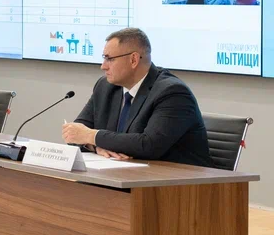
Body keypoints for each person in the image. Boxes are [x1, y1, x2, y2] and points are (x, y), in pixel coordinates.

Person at [61, 28, 210, 165]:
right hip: (124, 174)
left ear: (133, 60)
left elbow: (149, 145)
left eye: (109, 59)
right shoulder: (105, 86)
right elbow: (75, 132)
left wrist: (92, 136)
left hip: (177, 180)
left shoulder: (172, 93)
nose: (103, 66)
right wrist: (95, 146)